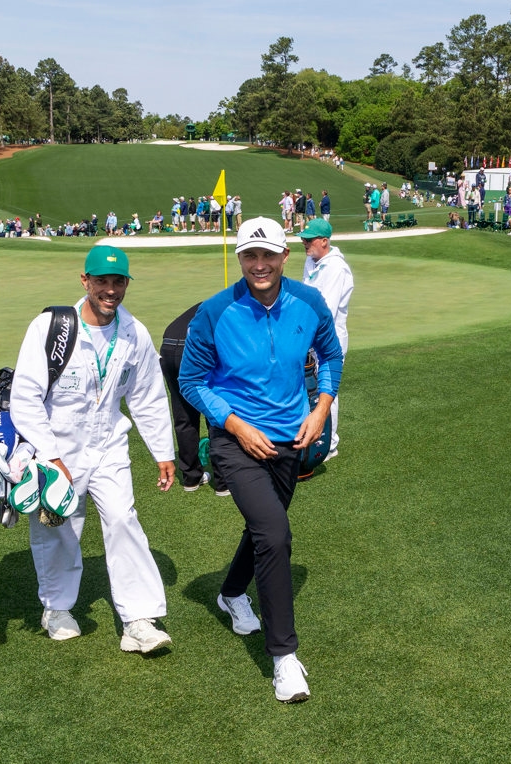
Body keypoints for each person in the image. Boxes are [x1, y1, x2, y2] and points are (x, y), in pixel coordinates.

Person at [179, 217, 344, 704]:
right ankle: (283, 658)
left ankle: (231, 593)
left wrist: (322, 407)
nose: (259, 265)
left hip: (292, 438)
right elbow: (192, 381)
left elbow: (330, 356)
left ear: (285, 256)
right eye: (250, 256)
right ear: (240, 259)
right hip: (237, 441)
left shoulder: (309, 302)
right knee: (275, 534)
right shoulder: (214, 311)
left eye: (267, 255)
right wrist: (234, 425)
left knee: (263, 531)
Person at [8, 244, 177, 654]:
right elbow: (25, 398)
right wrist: (51, 456)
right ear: (84, 281)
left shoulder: (133, 331)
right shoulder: (51, 327)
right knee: (60, 525)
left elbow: (148, 396)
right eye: (102, 280)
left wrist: (162, 450)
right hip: (55, 445)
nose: (111, 290)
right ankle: (58, 608)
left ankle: (139, 619)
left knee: (122, 518)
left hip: (109, 445)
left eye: (119, 281)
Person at [159, 303, 229, 496]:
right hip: (191, 349)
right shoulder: (233, 311)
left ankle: (191, 478)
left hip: (168, 347)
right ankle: (223, 482)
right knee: (214, 412)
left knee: (184, 414)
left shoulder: (212, 306)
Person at [300, 219, 353, 457]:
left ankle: (329, 443)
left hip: (329, 341)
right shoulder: (311, 261)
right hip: (309, 338)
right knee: (308, 388)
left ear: (324, 241)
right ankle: (310, 434)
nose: (305, 243)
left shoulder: (336, 268)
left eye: (309, 240)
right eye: (304, 239)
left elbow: (326, 311)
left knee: (326, 390)